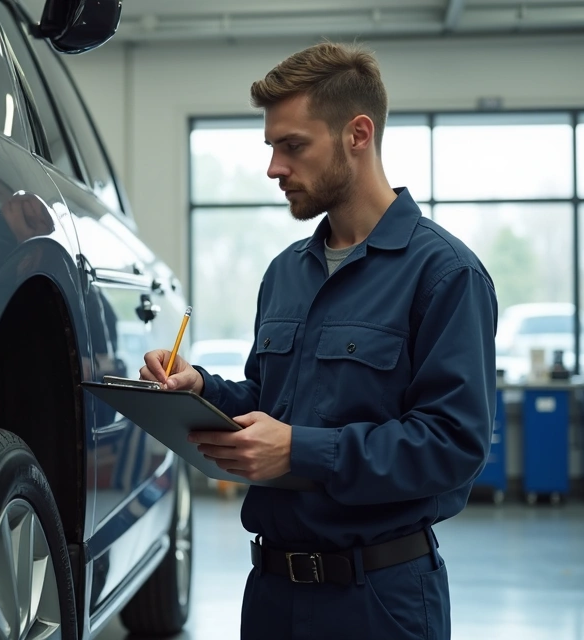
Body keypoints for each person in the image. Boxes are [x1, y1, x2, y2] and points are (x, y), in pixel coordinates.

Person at [140, 41, 497, 640]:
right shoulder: (286, 272)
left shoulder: (445, 275)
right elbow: (273, 401)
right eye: (272, 147)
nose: (275, 167)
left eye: (293, 146)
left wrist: (303, 452)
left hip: (379, 600)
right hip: (271, 595)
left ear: (358, 134)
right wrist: (202, 389)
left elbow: (453, 445)